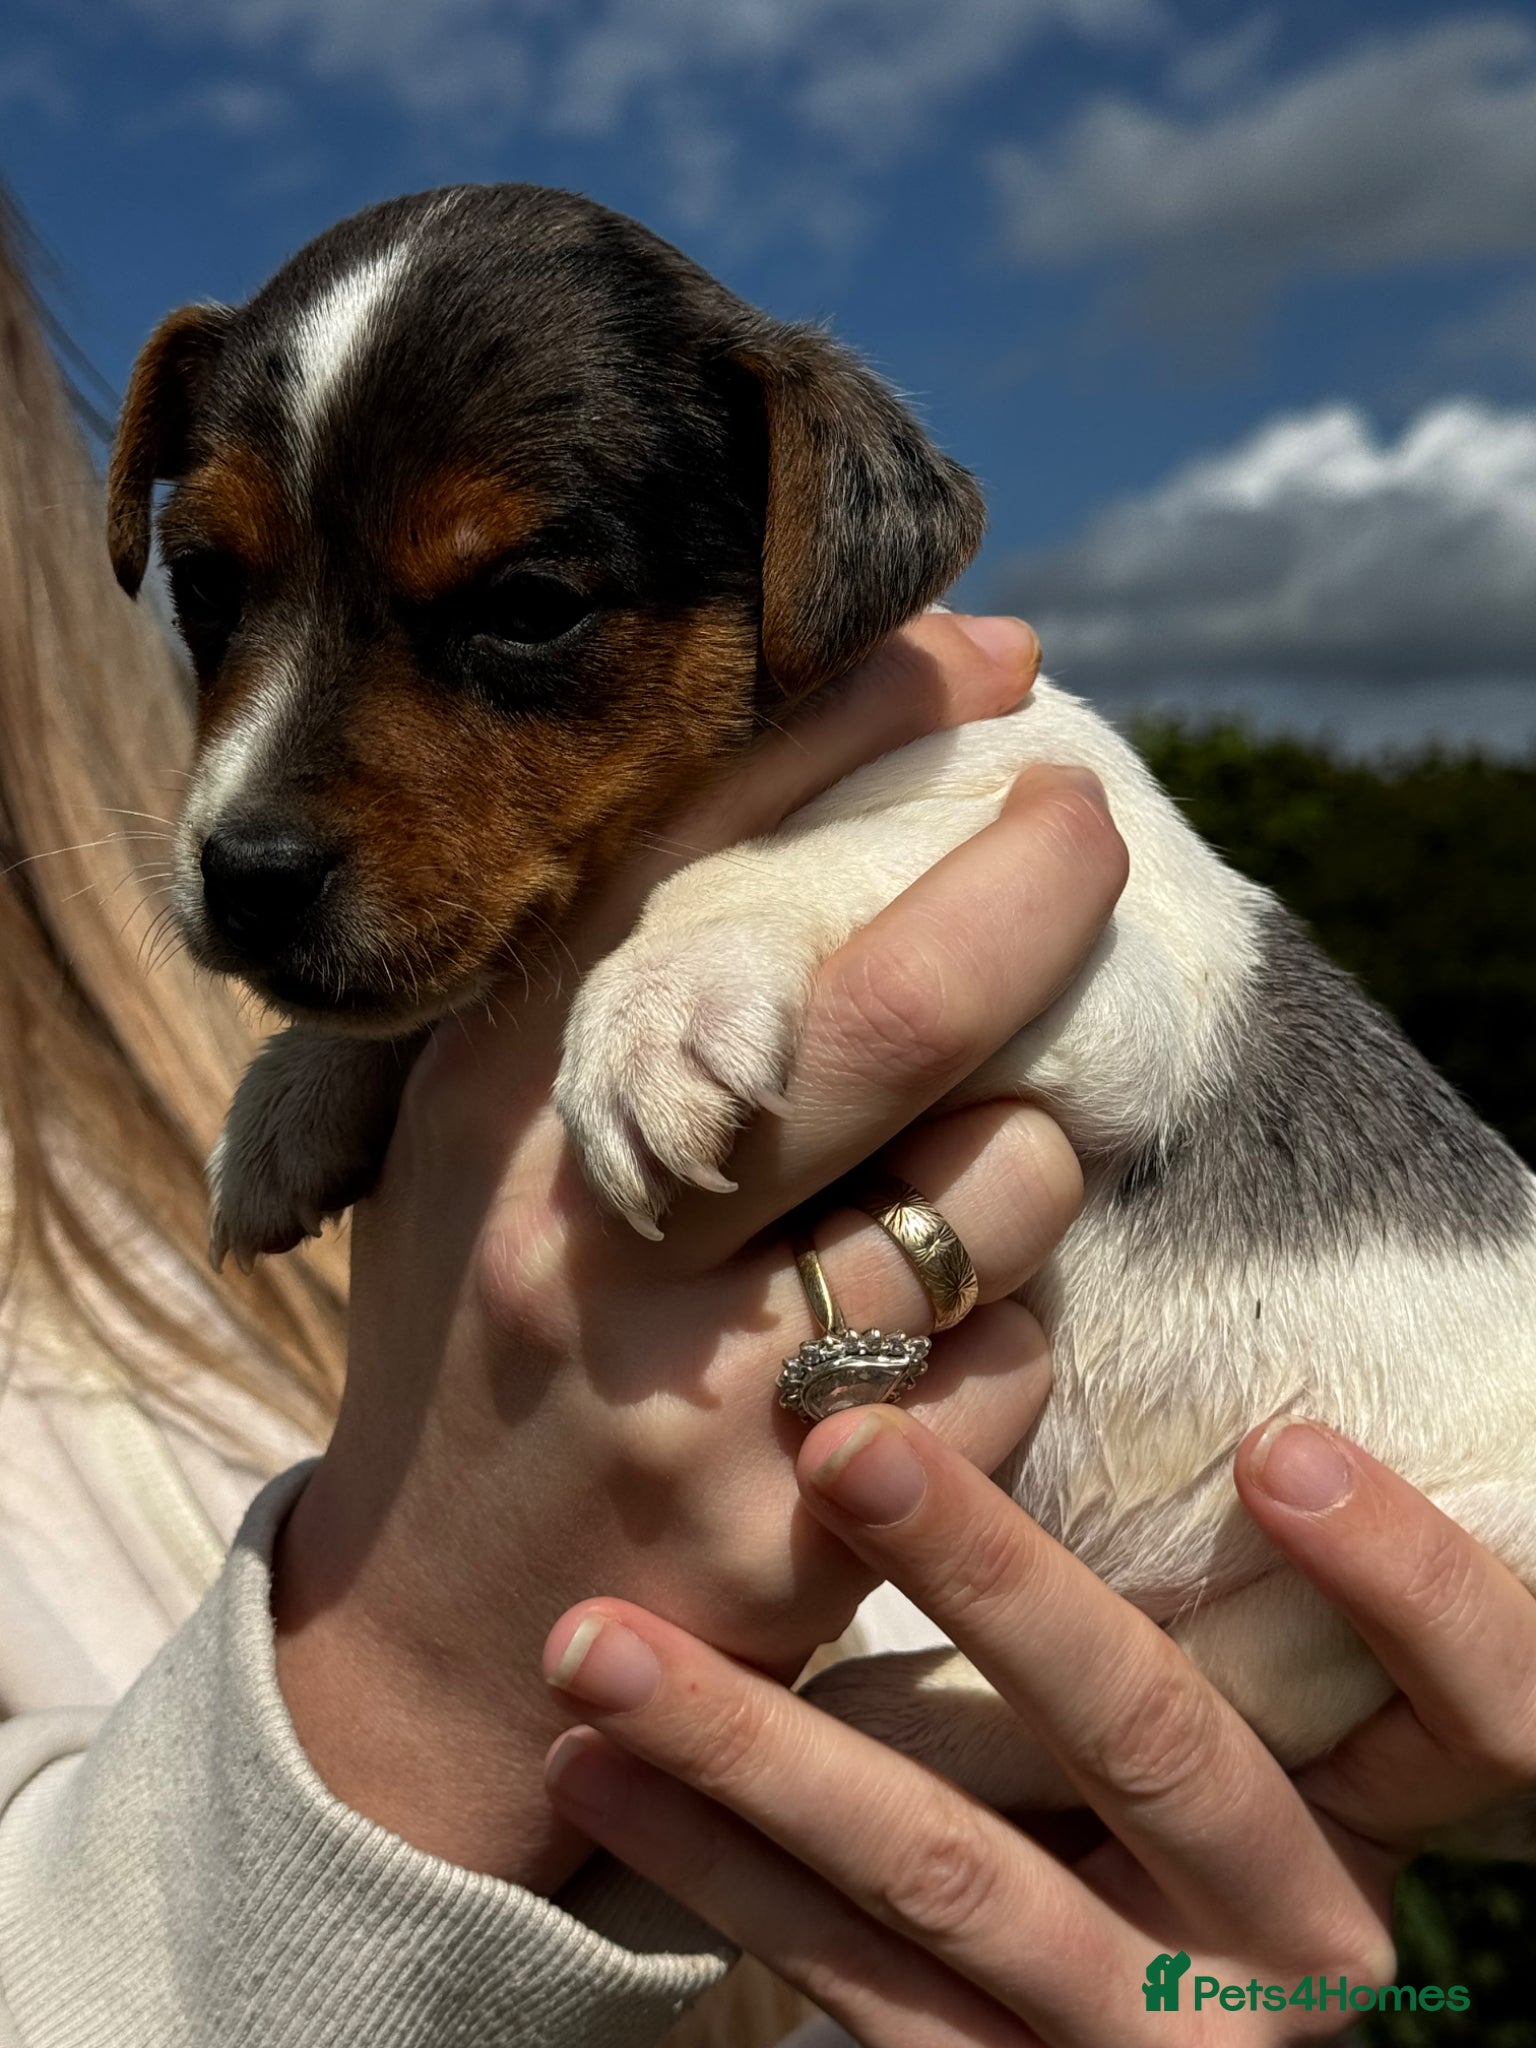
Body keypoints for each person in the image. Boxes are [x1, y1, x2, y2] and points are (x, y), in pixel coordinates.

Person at [0, 196, 1532, 2048]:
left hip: (1458, 1478)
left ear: (802, 560)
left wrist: (725, 929)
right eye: (227, 593)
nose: (258, 788)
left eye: (525, 609)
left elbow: (1127, 1024)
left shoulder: (995, 783)